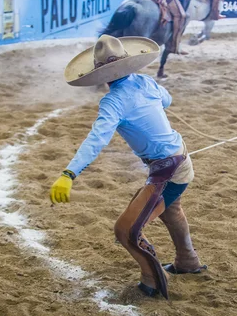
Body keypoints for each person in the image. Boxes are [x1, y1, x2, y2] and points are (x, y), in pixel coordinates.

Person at [50, 34, 206, 299]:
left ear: (101, 73)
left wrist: (69, 173)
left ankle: (153, 281)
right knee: (171, 209)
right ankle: (187, 260)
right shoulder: (145, 81)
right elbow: (166, 100)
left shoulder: (113, 102)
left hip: (167, 168)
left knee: (127, 230)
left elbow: (96, 139)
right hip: (179, 159)